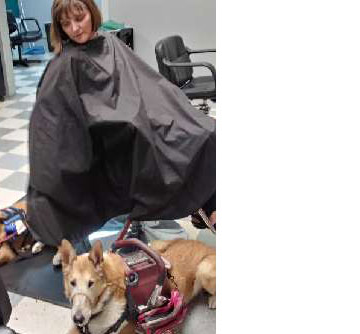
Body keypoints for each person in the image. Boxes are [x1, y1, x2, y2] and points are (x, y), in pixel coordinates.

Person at [25, 0, 216, 251]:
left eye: (79, 18)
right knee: (169, 148)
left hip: (134, 121)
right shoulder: (64, 64)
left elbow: (145, 83)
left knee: (205, 132)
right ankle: (205, 207)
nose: (75, 28)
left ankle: (208, 207)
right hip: (110, 140)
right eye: (66, 23)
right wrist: (128, 119)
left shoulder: (108, 43)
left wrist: (168, 105)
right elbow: (53, 123)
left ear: (91, 12)